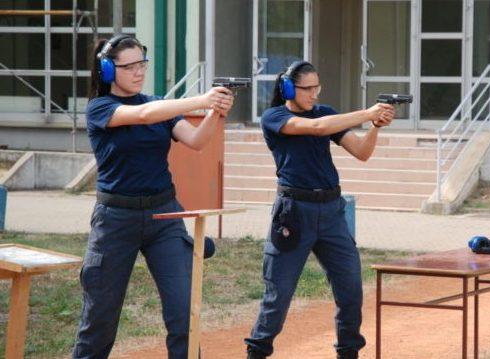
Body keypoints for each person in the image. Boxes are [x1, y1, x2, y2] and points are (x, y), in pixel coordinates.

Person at [72, 34, 234, 359]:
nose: (138, 71)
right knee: (100, 321)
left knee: (183, 315)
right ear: (106, 71)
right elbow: (145, 115)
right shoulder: (101, 108)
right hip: (116, 220)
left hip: (164, 216)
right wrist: (202, 99)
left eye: (141, 63)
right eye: (128, 66)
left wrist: (216, 110)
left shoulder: (159, 104)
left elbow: (197, 141)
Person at [244, 61, 395, 359]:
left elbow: (362, 152)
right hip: (294, 212)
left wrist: (375, 125)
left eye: (317, 87)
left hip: (331, 211)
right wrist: (367, 112)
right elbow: (316, 128)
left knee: (351, 289)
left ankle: (348, 352)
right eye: (307, 88)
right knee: (278, 295)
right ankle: (257, 352)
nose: (314, 93)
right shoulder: (275, 117)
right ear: (288, 88)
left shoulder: (325, 113)